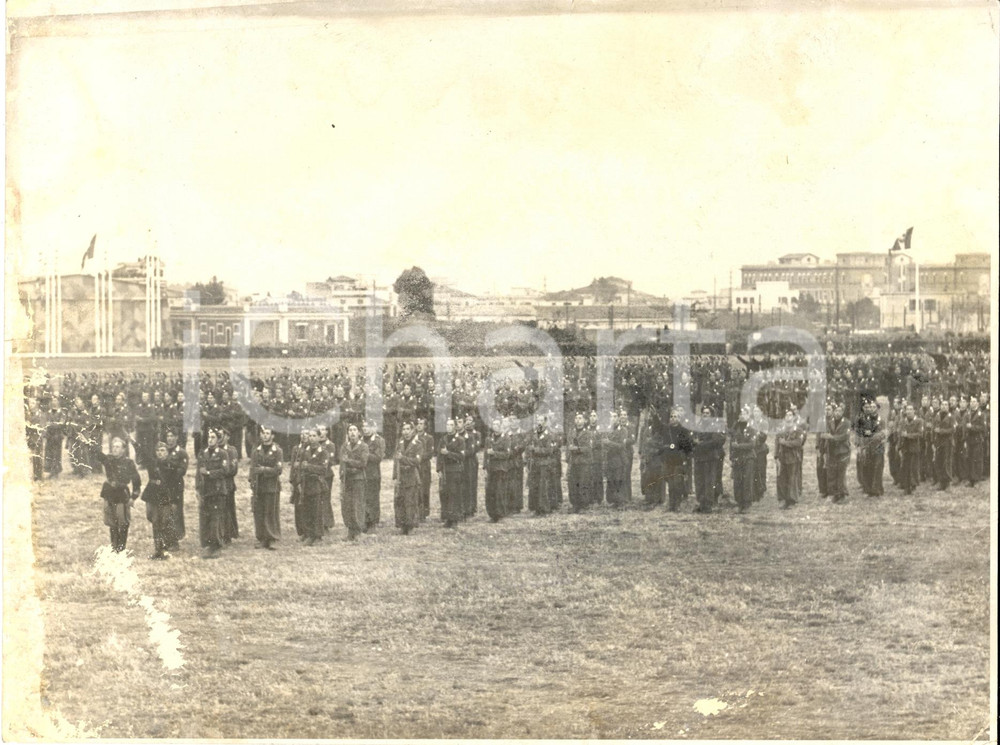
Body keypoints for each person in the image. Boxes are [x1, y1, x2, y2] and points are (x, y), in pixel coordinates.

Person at [97, 437, 142, 552]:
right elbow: (97, 453)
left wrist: (133, 497)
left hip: (121, 495)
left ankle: (121, 547)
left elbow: (136, 481)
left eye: (118, 447)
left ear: (123, 450)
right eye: (113, 447)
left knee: (122, 521)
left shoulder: (129, 462)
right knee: (111, 522)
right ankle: (114, 546)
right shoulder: (109, 459)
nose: (115, 449)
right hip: (109, 494)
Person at [197, 428, 230, 559]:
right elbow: (198, 473)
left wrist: (210, 473)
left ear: (218, 440)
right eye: (209, 437)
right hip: (205, 490)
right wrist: (197, 489)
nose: (210, 440)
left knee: (216, 518)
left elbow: (225, 471)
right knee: (205, 518)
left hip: (217, 490)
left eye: (213, 437)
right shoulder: (203, 453)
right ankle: (207, 545)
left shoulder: (222, 454)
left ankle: (216, 546)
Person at [249, 426, 283, 550]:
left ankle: (272, 537)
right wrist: (252, 482)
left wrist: (263, 469)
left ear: (272, 436)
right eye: (263, 433)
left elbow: (278, 469)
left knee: (271, 512)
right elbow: (252, 468)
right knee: (259, 512)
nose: (264, 435)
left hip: (271, 486)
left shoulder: (277, 451)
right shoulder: (256, 451)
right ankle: (262, 537)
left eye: (267, 433)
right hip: (259, 485)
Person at [141, 442, 175, 559]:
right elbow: (142, 453)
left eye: (162, 450)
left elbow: (174, 483)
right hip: (153, 495)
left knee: (164, 521)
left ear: (167, 452)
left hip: (166, 496)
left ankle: (163, 549)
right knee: (154, 520)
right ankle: (158, 549)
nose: (160, 453)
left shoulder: (171, 464)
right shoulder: (153, 463)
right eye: (158, 451)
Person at [339, 424, 368, 540]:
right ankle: (350, 531)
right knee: (347, 505)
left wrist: (349, 462)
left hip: (358, 479)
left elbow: (363, 462)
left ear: (359, 433)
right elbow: (342, 463)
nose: (352, 432)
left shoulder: (363, 446)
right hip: (347, 479)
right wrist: (343, 474)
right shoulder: (344, 446)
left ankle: (358, 531)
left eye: (355, 430)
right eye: (350, 430)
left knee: (358, 504)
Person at [661, 408, 694, 512]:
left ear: (679, 418)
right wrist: (668, 447)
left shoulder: (684, 430)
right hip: (669, 459)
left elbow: (688, 446)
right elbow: (663, 444)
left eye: (676, 417)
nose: (673, 419)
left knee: (677, 483)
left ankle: (678, 504)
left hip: (679, 460)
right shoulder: (666, 430)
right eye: (671, 416)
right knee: (670, 484)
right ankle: (671, 504)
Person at [527, 416, 560, 516]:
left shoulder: (548, 435)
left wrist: (536, 450)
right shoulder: (534, 434)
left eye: (541, 421)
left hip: (545, 464)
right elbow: (529, 446)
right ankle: (537, 508)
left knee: (543, 487)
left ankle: (545, 508)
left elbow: (549, 450)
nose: (539, 423)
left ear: (545, 423)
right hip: (535, 464)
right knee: (535, 486)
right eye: (538, 421)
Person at [393, 421, 422, 535]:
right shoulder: (399, 443)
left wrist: (403, 459)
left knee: (410, 501)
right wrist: (395, 476)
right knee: (400, 500)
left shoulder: (417, 444)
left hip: (411, 475)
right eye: (403, 429)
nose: (405, 432)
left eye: (407, 429)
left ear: (412, 430)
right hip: (401, 476)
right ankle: (402, 524)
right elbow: (396, 461)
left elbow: (416, 461)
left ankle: (410, 525)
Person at [774, 410, 806, 509]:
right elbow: (777, 443)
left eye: (790, 415)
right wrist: (776, 457)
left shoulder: (798, 429)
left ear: (793, 417)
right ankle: (782, 499)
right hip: (782, 456)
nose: (788, 417)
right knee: (781, 478)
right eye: (786, 415)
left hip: (793, 457)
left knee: (792, 478)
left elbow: (798, 442)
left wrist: (785, 443)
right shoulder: (780, 429)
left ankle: (791, 500)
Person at [438, 419, 466, 528]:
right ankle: (447, 518)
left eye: (451, 425)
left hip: (455, 470)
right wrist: (439, 469)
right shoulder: (443, 439)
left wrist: (448, 453)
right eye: (447, 425)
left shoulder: (460, 440)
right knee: (445, 494)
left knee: (455, 494)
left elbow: (461, 456)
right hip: (445, 471)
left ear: (455, 427)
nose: (448, 427)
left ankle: (455, 519)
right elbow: (439, 455)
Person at [484, 417, 512, 522]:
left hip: (500, 469)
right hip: (491, 468)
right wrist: (485, 467)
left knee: (499, 492)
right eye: (494, 424)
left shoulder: (506, 438)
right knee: (490, 492)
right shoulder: (489, 439)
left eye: (497, 424)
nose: (495, 426)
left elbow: (507, 454)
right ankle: (492, 514)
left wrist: (494, 453)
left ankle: (500, 514)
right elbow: (486, 455)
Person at [163, 429, 188, 550]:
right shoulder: (164, 451)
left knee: (175, 512)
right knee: (165, 511)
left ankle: (175, 541)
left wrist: (169, 471)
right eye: (168, 436)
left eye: (172, 436)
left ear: (177, 437)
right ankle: (166, 539)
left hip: (176, 486)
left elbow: (182, 470)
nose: (170, 438)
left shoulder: (181, 453)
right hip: (164, 486)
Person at [822, 402, 851, 503]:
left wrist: (832, 437)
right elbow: (826, 434)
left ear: (843, 412)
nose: (837, 413)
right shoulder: (830, 422)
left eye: (839, 411)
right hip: (832, 451)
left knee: (841, 473)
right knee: (832, 473)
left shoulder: (846, 422)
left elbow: (844, 437)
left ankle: (843, 494)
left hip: (843, 451)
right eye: (836, 411)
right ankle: (835, 494)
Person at [567, 412, 595, 512]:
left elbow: (588, 448)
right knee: (573, 483)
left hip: (584, 462)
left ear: (584, 421)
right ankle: (575, 504)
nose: (578, 420)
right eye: (576, 418)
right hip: (574, 462)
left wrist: (577, 449)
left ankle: (584, 505)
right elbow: (568, 445)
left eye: (580, 418)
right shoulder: (572, 432)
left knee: (583, 483)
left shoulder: (588, 433)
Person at [729, 408, 756, 514]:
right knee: (737, 481)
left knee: (747, 481)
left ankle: (747, 503)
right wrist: (731, 457)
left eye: (745, 413)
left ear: (749, 416)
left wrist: (739, 446)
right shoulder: (735, 428)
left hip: (748, 458)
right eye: (740, 413)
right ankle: (739, 502)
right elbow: (732, 443)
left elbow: (752, 444)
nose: (742, 415)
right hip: (737, 458)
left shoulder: (752, 428)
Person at [362, 420, 385, 531]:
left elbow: (378, 457)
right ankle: (365, 521)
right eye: (364, 426)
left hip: (373, 474)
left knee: (373, 499)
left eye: (367, 426)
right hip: (362, 473)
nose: (365, 429)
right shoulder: (360, 440)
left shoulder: (378, 441)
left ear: (373, 428)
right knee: (363, 498)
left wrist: (365, 455)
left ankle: (373, 522)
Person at [898, 403, 923, 495]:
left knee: (913, 467)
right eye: (907, 409)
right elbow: (900, 434)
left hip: (914, 447)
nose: (908, 411)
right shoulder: (902, 421)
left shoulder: (919, 421)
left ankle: (913, 484)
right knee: (905, 467)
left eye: (910, 409)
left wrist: (908, 435)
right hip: (905, 447)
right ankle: (906, 486)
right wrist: (899, 447)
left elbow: (920, 434)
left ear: (914, 411)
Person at [932, 399, 955, 491]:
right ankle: (941, 482)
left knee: (947, 461)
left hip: (947, 442)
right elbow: (933, 428)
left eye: (946, 405)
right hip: (938, 442)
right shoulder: (937, 416)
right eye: (942, 405)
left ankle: (948, 482)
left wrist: (941, 431)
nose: (944, 406)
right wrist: (933, 441)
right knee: (939, 461)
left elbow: (953, 430)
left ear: (948, 407)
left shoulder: (951, 417)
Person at [415, 418, 434, 520]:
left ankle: (424, 513)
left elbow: (430, 453)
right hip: (415, 467)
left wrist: (418, 457)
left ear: (425, 426)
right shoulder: (413, 437)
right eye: (418, 423)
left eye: (421, 424)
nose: (419, 426)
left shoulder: (429, 438)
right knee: (416, 490)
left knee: (425, 490)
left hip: (424, 467)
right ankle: (416, 512)